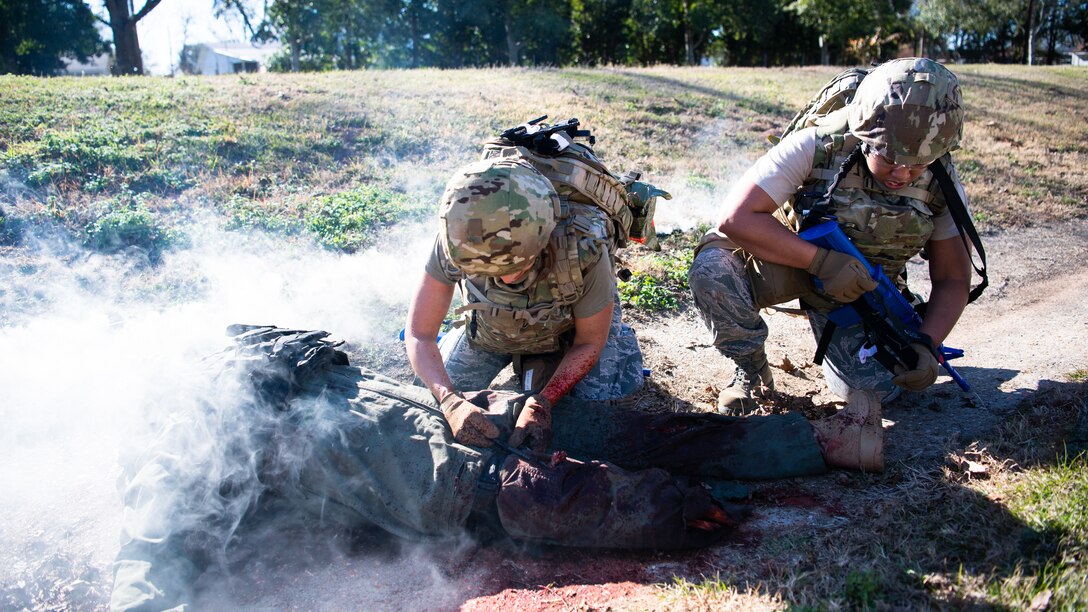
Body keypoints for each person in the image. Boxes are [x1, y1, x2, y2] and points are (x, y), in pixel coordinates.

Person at [110, 324, 885, 610]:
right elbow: (144, 560)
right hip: (466, 482)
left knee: (648, 439)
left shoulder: (283, 368)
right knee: (649, 497)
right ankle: (757, 480)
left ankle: (817, 444)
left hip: (484, 429)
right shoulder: (187, 438)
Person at [689, 58, 974, 471]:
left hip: (859, 293)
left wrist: (927, 342)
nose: (901, 172)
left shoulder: (941, 183)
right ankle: (750, 370)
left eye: (916, 164)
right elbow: (735, 218)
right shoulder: (817, 145)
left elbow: (953, 278)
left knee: (876, 388)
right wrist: (820, 261)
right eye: (888, 157)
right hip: (789, 260)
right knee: (713, 270)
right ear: (864, 135)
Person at [406, 137, 647, 454]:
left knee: (592, 418)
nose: (506, 278)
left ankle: (597, 351)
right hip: (492, 329)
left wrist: (545, 401)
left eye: (518, 267)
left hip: (569, 330)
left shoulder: (583, 245)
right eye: (492, 272)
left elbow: (589, 341)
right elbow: (420, 334)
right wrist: (450, 400)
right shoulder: (457, 239)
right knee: (426, 404)